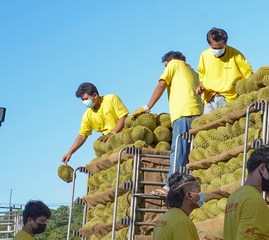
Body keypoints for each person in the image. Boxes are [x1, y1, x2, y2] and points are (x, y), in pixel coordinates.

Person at [132, 51, 203, 180]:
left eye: (165, 66)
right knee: (190, 152)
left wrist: (147, 106)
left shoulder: (174, 64)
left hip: (183, 113)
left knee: (178, 150)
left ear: (169, 62)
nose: (166, 68)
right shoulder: (193, 72)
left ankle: (171, 183)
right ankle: (187, 181)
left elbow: (161, 84)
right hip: (198, 113)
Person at [61, 82, 128, 164]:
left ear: (95, 95)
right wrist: (70, 152)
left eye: (86, 99)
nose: (84, 102)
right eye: (83, 100)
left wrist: (113, 133)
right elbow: (82, 136)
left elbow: (123, 117)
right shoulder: (87, 115)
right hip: (109, 144)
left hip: (125, 137)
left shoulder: (111, 99)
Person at [196, 27, 253, 114]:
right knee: (208, 126)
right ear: (209, 45)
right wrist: (200, 87)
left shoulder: (236, 54)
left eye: (220, 47)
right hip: (209, 98)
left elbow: (249, 74)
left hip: (229, 99)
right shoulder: (204, 55)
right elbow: (202, 76)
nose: (217, 50)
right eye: (214, 48)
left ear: (225, 43)